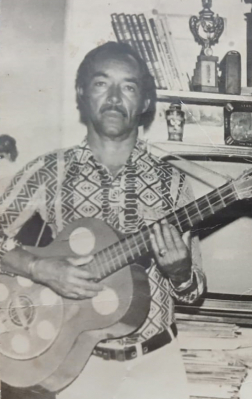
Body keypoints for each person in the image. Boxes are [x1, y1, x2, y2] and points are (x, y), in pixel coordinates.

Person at [0, 42, 205, 399]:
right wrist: (38, 268)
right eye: (101, 84)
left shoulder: (173, 182)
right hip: (76, 368)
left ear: (143, 102)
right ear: (81, 94)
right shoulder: (48, 172)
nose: (113, 97)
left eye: (128, 86)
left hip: (157, 366)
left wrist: (181, 271)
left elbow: (194, 291)